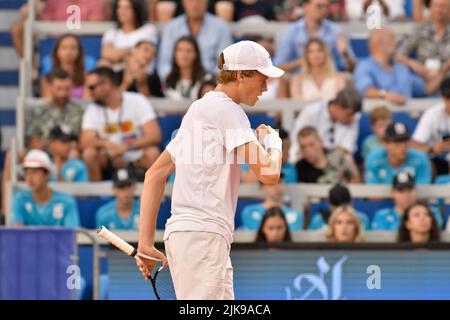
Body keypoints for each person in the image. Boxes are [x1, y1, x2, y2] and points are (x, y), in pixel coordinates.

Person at [136, 40, 285, 300]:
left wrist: (146, 243)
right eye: (262, 78)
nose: (265, 87)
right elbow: (269, 174)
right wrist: (274, 142)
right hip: (203, 237)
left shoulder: (199, 109)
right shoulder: (228, 110)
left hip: (194, 236)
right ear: (241, 75)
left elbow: (154, 175)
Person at [81, 67, 162, 181]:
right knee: (89, 154)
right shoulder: (93, 108)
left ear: (106, 84)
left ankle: (156, 195)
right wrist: (108, 145)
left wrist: (125, 147)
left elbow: (154, 135)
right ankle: (96, 197)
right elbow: (85, 140)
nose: (89, 92)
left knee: (152, 153)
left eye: (92, 87)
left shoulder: (137, 100)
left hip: (135, 157)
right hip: (108, 158)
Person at [354, 28, 432, 106]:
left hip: (409, 115)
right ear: (379, 42)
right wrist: (386, 95)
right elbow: (366, 90)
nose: (396, 43)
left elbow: (425, 89)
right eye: (392, 38)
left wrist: (442, 72)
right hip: (382, 115)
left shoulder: (401, 67)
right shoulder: (364, 66)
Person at [274, 0, 356, 73]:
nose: (324, 10)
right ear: (306, 7)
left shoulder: (335, 30)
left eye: (326, 6)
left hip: (330, 80)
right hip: (298, 80)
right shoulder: (292, 31)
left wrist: (345, 54)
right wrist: (306, 61)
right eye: (319, 6)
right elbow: (279, 66)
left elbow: (352, 67)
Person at [157, 0, 233, 79]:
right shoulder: (171, 28)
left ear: (206, 2)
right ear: (183, 2)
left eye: (199, 1)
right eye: (190, 1)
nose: (194, 4)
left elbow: (225, 63)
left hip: (211, 84)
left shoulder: (221, 27)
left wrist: (209, 82)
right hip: (177, 83)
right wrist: (174, 82)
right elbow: (164, 64)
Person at [289, 85, 362, 163]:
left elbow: (346, 149)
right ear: (337, 106)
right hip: (307, 158)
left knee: (348, 159)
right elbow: (298, 142)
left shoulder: (354, 117)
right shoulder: (311, 112)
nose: (352, 118)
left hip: (335, 161)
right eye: (348, 114)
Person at [10, 0, 105, 57]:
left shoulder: (94, 2)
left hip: (84, 45)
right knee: (19, 27)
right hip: (55, 44)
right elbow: (46, 23)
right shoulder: (53, 2)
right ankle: (32, 69)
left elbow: (94, 28)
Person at [10, 150, 80, 227]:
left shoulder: (67, 201)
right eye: (27, 173)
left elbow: (72, 234)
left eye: (34, 172)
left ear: (47, 174)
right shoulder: (20, 199)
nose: (29, 178)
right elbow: (18, 234)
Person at [27, 68, 85, 149]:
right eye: (59, 89)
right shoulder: (38, 112)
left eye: (67, 89)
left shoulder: (79, 111)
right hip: (45, 154)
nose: (63, 94)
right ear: (50, 87)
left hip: (71, 154)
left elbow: (82, 139)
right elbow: (33, 141)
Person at [397, 0, 450, 84]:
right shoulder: (421, 29)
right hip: (422, 80)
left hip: (447, 81)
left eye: (443, 6)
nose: (439, 9)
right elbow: (398, 54)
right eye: (436, 6)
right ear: (430, 8)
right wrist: (413, 65)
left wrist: (443, 69)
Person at [372, 171, 443, 230]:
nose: (406, 195)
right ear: (392, 192)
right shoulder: (381, 216)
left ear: (415, 190)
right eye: (401, 191)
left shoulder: (431, 213)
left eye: (409, 190)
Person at [365, 122, 432, 184]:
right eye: (397, 143)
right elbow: (372, 192)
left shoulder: (420, 159)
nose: (403, 147)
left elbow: (423, 191)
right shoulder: (373, 159)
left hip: (413, 197)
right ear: (386, 144)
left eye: (405, 142)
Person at [101, 0, 158, 71]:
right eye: (119, 7)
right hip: (115, 74)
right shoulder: (111, 32)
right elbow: (107, 54)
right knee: (103, 63)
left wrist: (118, 55)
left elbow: (143, 56)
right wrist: (131, 51)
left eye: (127, 8)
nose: (122, 11)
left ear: (136, 9)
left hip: (140, 72)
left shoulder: (148, 29)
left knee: (135, 65)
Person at [411, 78, 450, 176]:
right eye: (448, 98)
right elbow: (413, 146)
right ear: (443, 98)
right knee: (424, 163)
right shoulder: (432, 114)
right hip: (439, 163)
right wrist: (433, 149)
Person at [295, 127, 362, 183]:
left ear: (320, 142)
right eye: (303, 147)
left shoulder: (337, 158)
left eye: (311, 145)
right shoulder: (299, 167)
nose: (307, 150)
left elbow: (355, 182)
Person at [40, 34, 96, 99]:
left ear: (79, 51)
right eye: (64, 47)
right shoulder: (47, 78)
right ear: (57, 51)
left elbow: (87, 100)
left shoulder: (87, 77)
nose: (68, 51)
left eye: (73, 48)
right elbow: (47, 101)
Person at [164, 36, 213, 100]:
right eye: (180, 50)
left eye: (189, 50)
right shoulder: (169, 79)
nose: (184, 54)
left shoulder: (206, 79)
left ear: (196, 54)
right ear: (174, 54)